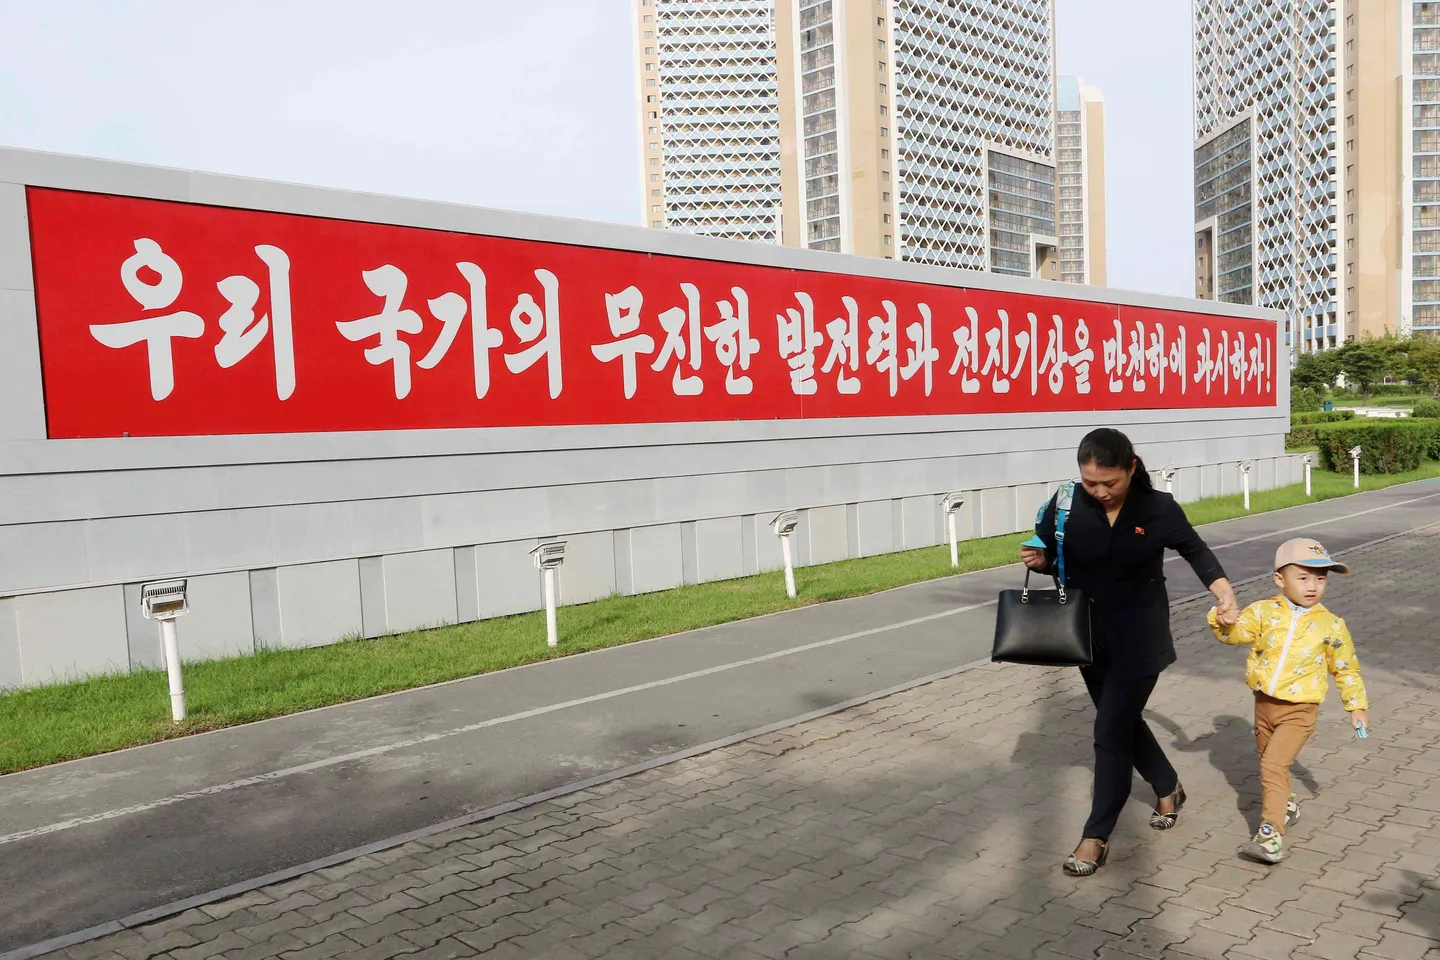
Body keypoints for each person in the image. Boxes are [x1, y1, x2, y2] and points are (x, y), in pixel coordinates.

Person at [1022, 428, 1240, 877]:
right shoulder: (1066, 504)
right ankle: (1168, 786)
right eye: (1090, 483)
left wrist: (1223, 593)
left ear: (1132, 469)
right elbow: (1049, 555)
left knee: (1109, 732)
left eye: (1110, 483)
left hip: (1141, 638)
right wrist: (1039, 562)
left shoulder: (1156, 508)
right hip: (1084, 637)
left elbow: (1195, 550)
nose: (1100, 492)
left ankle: (1096, 835)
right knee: (1123, 722)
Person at [1208, 537, 1370, 865]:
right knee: (1268, 760)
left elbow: (1345, 668)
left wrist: (1357, 706)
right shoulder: (1264, 611)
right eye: (1304, 577)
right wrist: (1222, 620)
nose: (1313, 586)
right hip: (1264, 704)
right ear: (1280, 579)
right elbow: (1236, 635)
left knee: (1272, 765)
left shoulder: (1331, 624)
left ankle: (1270, 835)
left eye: (1321, 578)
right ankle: (1287, 804)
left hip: (1301, 710)